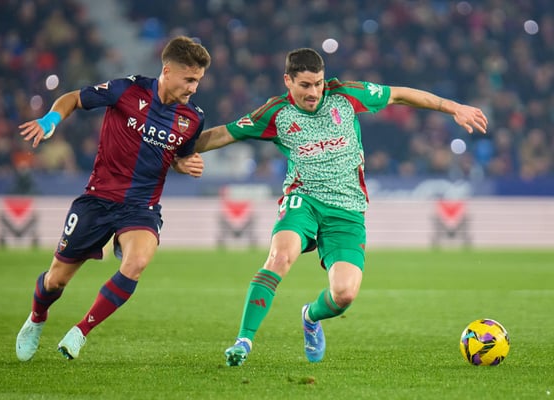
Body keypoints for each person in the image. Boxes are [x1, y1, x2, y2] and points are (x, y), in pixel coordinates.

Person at [194, 48, 488, 367]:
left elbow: (399, 95)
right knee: (279, 257)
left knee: (344, 294)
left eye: (318, 83)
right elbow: (224, 133)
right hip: (303, 200)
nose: (313, 92)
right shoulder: (275, 114)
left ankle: (310, 317)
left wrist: (454, 107)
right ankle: (243, 341)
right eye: (305, 85)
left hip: (347, 211)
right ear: (288, 81)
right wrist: (175, 151)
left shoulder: (345, 95)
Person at [15, 36, 211, 361]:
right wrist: (50, 121)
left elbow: (177, 157)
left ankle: (80, 331)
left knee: (137, 263)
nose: (193, 88)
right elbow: (74, 98)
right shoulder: (127, 90)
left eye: (198, 81)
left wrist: (184, 164)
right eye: (189, 79)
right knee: (55, 281)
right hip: (98, 199)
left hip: (142, 207)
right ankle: (37, 317)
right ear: (167, 70)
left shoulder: (193, 118)